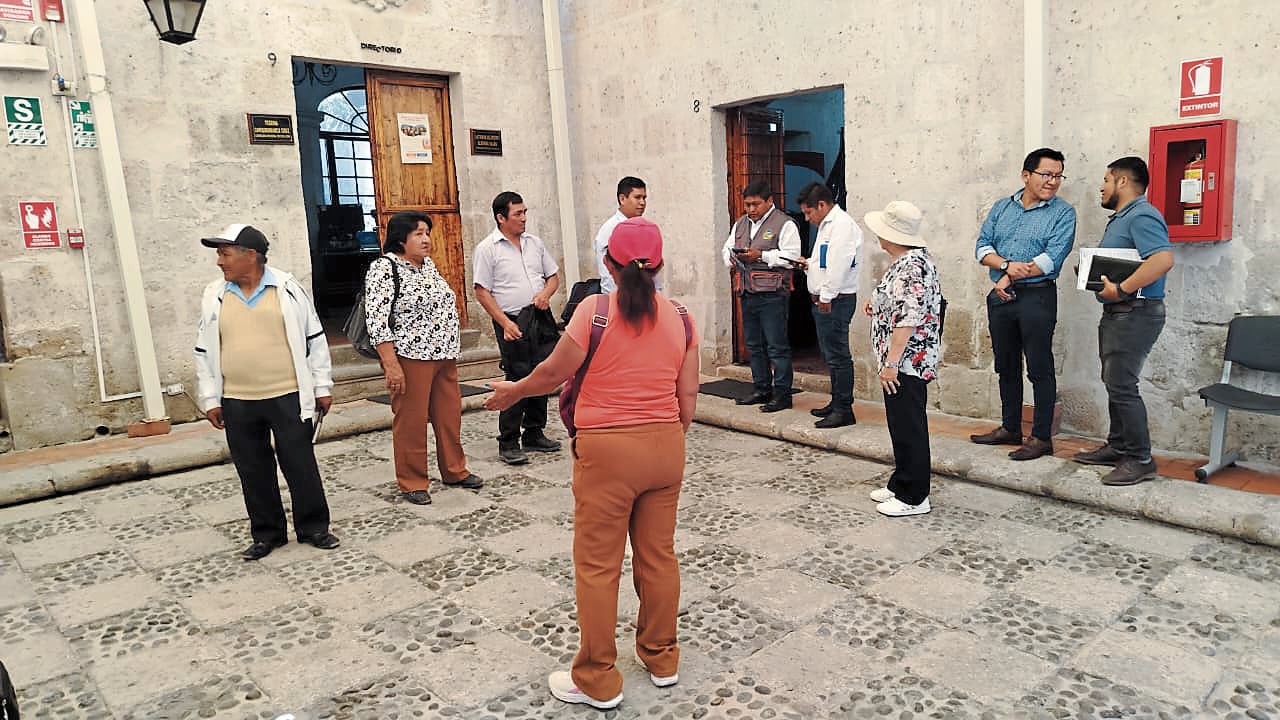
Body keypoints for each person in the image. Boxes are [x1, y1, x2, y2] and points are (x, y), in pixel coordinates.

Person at [485, 217, 698, 711]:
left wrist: (513, 391)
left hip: (605, 451)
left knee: (599, 566)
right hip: (666, 446)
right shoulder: (683, 316)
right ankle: (662, 656)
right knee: (659, 556)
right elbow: (688, 397)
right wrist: (666, 435)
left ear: (608, 263)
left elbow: (554, 373)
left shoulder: (592, 312)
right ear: (660, 264)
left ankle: (598, 677)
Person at [194, 224, 340, 560]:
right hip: (238, 398)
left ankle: (314, 527)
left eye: (224, 254)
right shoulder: (214, 294)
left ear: (251, 256)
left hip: (287, 393)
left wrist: (322, 386)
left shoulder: (288, 289)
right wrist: (210, 398)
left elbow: (314, 339)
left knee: (299, 463)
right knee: (252, 468)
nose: (219, 262)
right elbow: (203, 349)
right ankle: (267, 533)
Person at [365, 210, 482, 505]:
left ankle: (455, 470)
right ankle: (413, 480)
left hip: (443, 354)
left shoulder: (427, 266)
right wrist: (391, 365)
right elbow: (377, 320)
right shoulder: (384, 268)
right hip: (410, 356)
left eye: (427, 233)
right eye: (418, 233)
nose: (426, 239)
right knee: (412, 420)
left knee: (449, 415)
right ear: (400, 238)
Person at [970, 148, 1077, 461]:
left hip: (1037, 296)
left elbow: (1051, 258)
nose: (1053, 181)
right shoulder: (1002, 207)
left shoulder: (1063, 213)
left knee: (1039, 367)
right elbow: (982, 246)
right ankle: (1010, 427)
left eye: (1058, 176)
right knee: (1006, 365)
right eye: (1047, 174)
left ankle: (1041, 437)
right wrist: (1005, 268)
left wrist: (1009, 275)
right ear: (1026, 175)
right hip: (1002, 297)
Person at [1073, 157, 1174, 486]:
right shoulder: (1122, 218)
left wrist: (1122, 289)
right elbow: (1128, 262)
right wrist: (1093, 275)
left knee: (1122, 386)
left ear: (1122, 182)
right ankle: (1119, 446)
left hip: (1135, 311)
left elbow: (1162, 259)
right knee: (1114, 382)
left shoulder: (1142, 214)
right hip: (1121, 311)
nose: (1101, 186)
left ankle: (1140, 459)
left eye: (1105, 179)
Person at [862, 202, 943, 518]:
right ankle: (901, 481)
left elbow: (908, 319)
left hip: (907, 363)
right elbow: (898, 301)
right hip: (905, 361)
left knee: (908, 424)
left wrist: (891, 362)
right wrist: (877, 302)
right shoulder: (908, 261)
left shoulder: (910, 266)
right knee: (901, 422)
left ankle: (914, 494)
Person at [473, 191, 563, 465]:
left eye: (525, 212)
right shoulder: (487, 248)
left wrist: (546, 294)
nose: (524, 218)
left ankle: (534, 431)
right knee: (517, 375)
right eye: (518, 214)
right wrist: (505, 323)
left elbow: (553, 277)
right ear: (501, 218)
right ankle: (508, 440)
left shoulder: (535, 243)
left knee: (542, 372)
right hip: (511, 319)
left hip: (539, 316)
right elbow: (482, 291)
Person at [721, 179, 802, 412]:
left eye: (756, 204)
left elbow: (793, 258)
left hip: (773, 294)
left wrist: (761, 256)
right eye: (747, 204)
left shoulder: (785, 224)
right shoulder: (740, 224)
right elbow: (726, 249)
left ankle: (783, 394)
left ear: (769, 201)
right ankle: (761, 388)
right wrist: (733, 258)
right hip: (747, 291)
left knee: (777, 346)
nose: (751, 209)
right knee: (754, 344)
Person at [796, 181, 863, 428]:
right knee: (830, 355)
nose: (806, 217)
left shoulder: (841, 226)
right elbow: (825, 261)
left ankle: (844, 408)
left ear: (821, 205)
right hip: (828, 298)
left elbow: (838, 266)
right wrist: (809, 264)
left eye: (808, 211)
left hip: (836, 300)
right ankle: (836, 402)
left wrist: (825, 297)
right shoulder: (827, 226)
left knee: (838, 356)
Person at [594, 176, 647, 294]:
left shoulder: (644, 228)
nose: (642, 202)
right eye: (637, 197)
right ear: (622, 199)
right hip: (621, 301)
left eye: (644, 198)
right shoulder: (610, 230)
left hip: (645, 300)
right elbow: (608, 276)